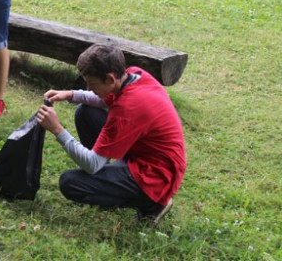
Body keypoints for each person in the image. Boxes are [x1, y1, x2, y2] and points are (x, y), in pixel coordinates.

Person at [37, 44, 187, 225]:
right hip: (146, 154)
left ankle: (152, 205)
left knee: (70, 183)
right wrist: (69, 94)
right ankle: (110, 184)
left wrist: (57, 129)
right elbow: (101, 98)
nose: (89, 88)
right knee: (85, 112)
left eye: (92, 84)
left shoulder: (127, 108)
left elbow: (92, 164)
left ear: (110, 78)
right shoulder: (133, 75)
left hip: (156, 177)